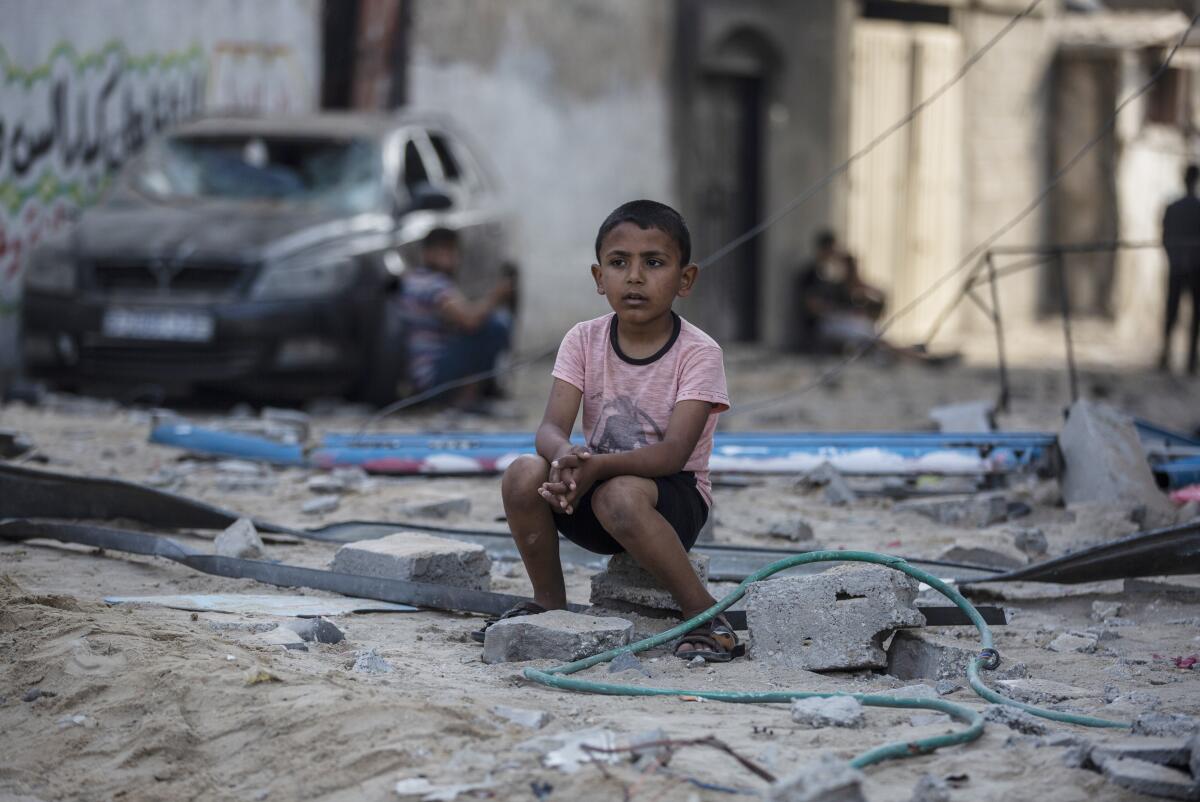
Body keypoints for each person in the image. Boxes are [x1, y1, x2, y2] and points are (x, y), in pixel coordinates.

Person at [474, 200, 739, 662]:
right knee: (522, 473)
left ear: (685, 279)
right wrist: (565, 459)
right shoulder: (582, 339)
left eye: (653, 263)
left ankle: (703, 613)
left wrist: (596, 467)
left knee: (618, 494)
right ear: (600, 278)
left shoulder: (698, 353)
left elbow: (675, 454)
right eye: (619, 263)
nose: (634, 277)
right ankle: (548, 602)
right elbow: (551, 428)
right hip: (591, 489)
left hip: (670, 502)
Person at [400, 227, 514, 407]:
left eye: (453, 251)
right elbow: (470, 320)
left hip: (419, 377)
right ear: (427, 254)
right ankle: (468, 398)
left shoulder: (413, 279)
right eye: (444, 251)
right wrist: (496, 296)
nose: (451, 258)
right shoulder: (434, 284)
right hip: (431, 377)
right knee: (496, 325)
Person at [794, 229, 885, 353]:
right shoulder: (811, 274)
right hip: (822, 325)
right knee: (866, 333)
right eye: (831, 250)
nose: (833, 254)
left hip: (836, 320)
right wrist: (838, 313)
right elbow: (813, 307)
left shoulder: (830, 273)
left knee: (869, 329)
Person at [1160, 164, 1200, 375]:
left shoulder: (1173, 208)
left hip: (1180, 267)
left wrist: (1175, 258)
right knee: (1189, 315)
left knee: (1173, 312)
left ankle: (1168, 355)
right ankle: (1188, 360)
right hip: (1192, 269)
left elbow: (1165, 237)